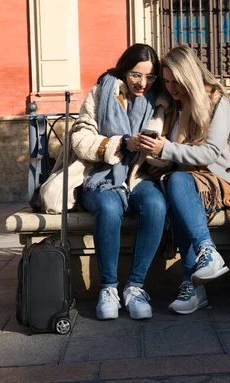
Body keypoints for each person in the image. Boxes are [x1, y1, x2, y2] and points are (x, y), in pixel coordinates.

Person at [138, 45, 230, 315]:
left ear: (189, 75)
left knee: (178, 184)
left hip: (219, 177)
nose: (171, 88)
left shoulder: (216, 100)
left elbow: (211, 152)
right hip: (188, 179)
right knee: (176, 184)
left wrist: (165, 149)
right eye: (166, 82)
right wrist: (152, 151)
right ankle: (198, 278)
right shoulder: (172, 106)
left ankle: (194, 279)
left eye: (175, 81)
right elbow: (174, 157)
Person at [69, 44, 168, 321]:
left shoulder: (158, 101)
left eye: (150, 77)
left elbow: (167, 149)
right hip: (99, 177)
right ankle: (109, 288)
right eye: (137, 75)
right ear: (125, 69)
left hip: (138, 175)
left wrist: (155, 149)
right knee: (110, 208)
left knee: (156, 205)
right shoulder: (101, 93)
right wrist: (122, 143)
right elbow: (80, 140)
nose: (143, 83)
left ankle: (135, 287)